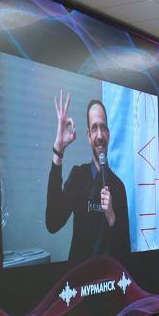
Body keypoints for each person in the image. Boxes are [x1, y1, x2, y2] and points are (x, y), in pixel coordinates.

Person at [46, 91, 130, 262]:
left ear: (109, 133)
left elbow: (125, 253)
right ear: (88, 136)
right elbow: (52, 223)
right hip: (80, 276)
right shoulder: (78, 176)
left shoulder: (119, 187)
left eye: (103, 127)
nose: (99, 135)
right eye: (94, 128)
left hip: (108, 276)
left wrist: (112, 217)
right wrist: (58, 150)